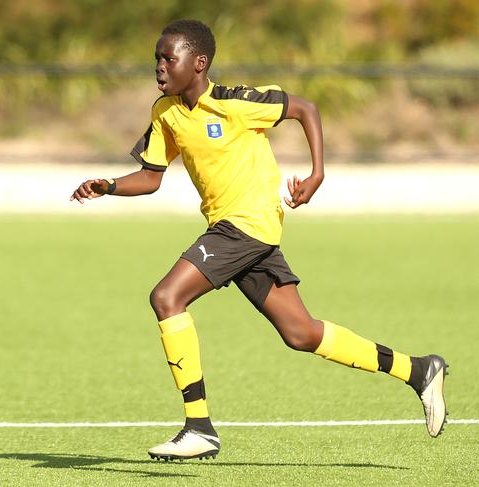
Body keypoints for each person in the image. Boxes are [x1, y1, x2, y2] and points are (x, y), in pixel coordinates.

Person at [70, 19, 448, 461]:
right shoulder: (165, 112)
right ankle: (419, 370)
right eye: (156, 58)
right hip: (240, 233)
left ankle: (198, 426)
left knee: (167, 297)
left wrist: (317, 174)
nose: (159, 66)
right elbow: (151, 178)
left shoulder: (235, 102)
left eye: (168, 58)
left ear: (199, 63)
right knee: (301, 334)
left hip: (245, 225)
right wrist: (109, 185)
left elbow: (306, 108)